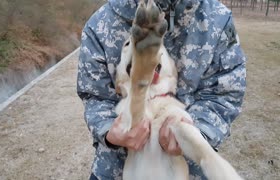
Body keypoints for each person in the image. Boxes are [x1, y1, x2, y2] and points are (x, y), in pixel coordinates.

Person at [77, 0, 246, 179]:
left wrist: (199, 129)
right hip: (114, 168)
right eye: (128, 45)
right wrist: (108, 129)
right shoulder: (99, 23)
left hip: (188, 170)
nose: (133, 44)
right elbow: (94, 96)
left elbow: (224, 94)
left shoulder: (219, 19)